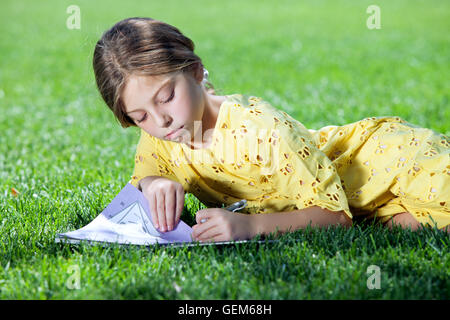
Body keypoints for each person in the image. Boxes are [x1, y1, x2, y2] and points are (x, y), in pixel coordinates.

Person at [92, 17, 450, 242]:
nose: (160, 121)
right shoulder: (163, 136)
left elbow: (335, 216)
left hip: (390, 163)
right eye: (139, 116)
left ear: (196, 72)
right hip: (366, 201)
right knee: (409, 227)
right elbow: (149, 174)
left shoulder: (261, 130)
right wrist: (158, 185)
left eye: (166, 97)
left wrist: (248, 229)